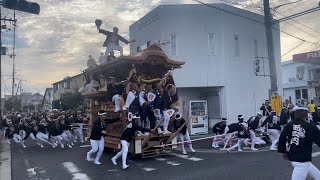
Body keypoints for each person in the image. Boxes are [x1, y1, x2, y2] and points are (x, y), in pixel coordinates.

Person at [278, 106, 320, 180]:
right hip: (302, 159)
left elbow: (282, 138)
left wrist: (283, 151)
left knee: (318, 175)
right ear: (306, 115)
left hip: (293, 156)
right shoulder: (310, 126)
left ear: (295, 114)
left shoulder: (289, 125)